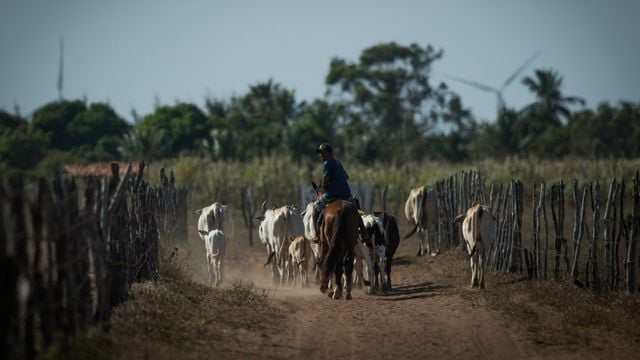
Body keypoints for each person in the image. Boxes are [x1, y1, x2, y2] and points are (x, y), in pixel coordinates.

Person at [313, 143, 369, 244]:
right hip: (346, 194)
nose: (321, 155)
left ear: (329, 153)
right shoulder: (338, 163)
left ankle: (317, 235)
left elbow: (325, 182)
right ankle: (364, 232)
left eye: (323, 152)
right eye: (320, 153)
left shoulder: (327, 163)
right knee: (355, 210)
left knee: (315, 207)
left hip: (332, 194)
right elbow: (346, 177)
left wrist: (324, 188)